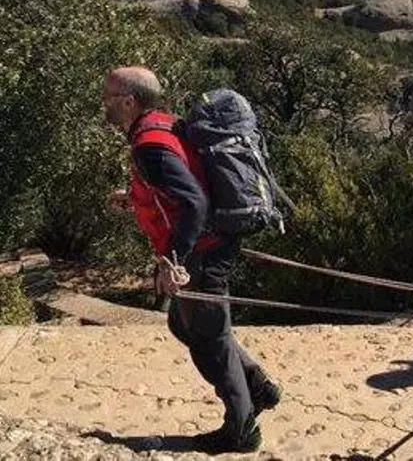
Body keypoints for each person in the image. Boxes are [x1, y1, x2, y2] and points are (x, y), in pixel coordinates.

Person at [102, 66, 281, 454]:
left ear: (129, 102)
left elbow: (194, 203)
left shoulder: (148, 144)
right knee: (185, 325)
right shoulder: (162, 124)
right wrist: (135, 198)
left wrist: (174, 260)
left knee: (207, 341)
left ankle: (241, 430)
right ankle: (256, 385)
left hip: (203, 251)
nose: (104, 103)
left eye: (109, 97)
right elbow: (185, 181)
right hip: (210, 244)